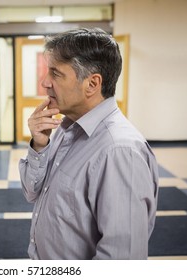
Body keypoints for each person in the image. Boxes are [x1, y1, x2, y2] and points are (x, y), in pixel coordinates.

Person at [19, 28, 159, 259]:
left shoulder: (119, 152)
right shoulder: (67, 128)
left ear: (92, 84)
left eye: (55, 73)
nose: (44, 82)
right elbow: (32, 192)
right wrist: (39, 145)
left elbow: (122, 261)